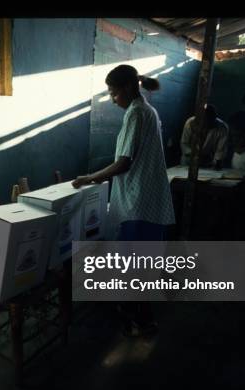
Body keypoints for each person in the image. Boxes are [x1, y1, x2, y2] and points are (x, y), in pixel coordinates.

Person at [72, 64, 175, 336]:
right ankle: (138, 313)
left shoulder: (136, 113)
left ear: (128, 88)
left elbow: (124, 163)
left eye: (113, 92)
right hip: (147, 198)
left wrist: (89, 177)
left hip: (138, 201)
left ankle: (140, 319)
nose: (112, 98)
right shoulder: (147, 110)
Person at [180, 104, 229, 170]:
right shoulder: (190, 123)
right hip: (189, 161)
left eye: (209, 121)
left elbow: (220, 150)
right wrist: (194, 154)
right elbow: (184, 143)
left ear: (214, 118)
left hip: (209, 162)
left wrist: (216, 162)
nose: (206, 124)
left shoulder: (222, 128)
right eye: (204, 121)